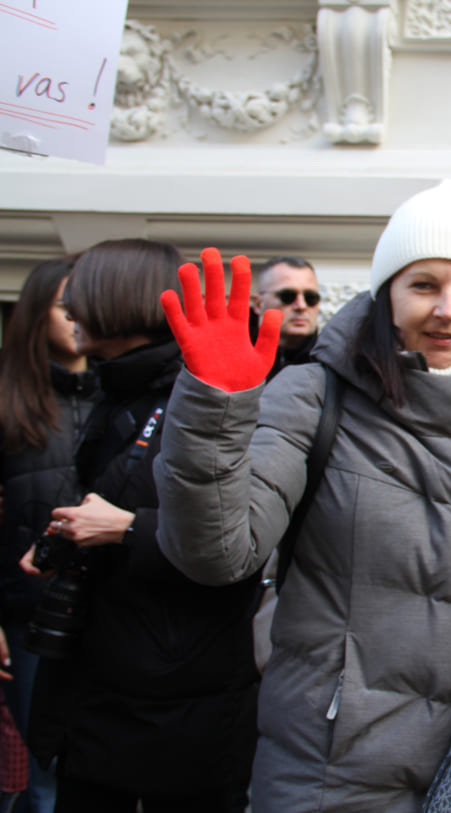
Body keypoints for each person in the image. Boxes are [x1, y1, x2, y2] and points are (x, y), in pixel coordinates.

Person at [154, 179, 451, 811]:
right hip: (328, 771)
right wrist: (214, 404)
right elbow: (217, 553)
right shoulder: (314, 393)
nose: (449, 310)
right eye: (424, 286)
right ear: (385, 296)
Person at [17, 239, 259, 813]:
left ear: (119, 298)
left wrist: (127, 530)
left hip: (175, 701)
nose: (70, 309)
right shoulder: (115, 391)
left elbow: (243, 539)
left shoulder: (206, 395)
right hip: (99, 685)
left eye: (78, 293)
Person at [0, 257, 98, 813]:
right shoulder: (9, 397)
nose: (79, 315)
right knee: (45, 778)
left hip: (104, 614)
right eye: (66, 305)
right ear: (38, 314)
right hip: (30, 615)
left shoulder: (117, 395)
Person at [250, 255, 323, 379]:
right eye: (287, 296)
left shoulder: (331, 362)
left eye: (310, 297)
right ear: (258, 304)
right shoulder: (233, 356)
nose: (301, 305)